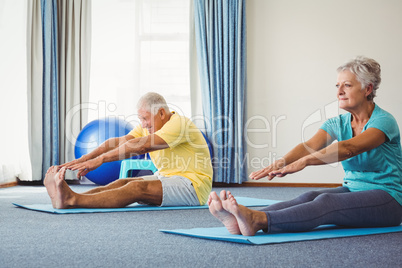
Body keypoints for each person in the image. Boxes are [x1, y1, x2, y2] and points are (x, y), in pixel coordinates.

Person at [208, 56, 402, 236]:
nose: (339, 92)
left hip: (389, 199)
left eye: (347, 85)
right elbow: (309, 146)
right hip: (353, 189)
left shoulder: (383, 122)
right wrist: (281, 162)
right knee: (309, 196)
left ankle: (258, 220)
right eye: (337, 85)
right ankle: (242, 217)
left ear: (368, 89)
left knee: (327, 203)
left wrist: (306, 162)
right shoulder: (338, 123)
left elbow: (348, 148)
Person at [44, 92, 213, 209]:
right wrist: (85, 158)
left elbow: (142, 145)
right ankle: (68, 196)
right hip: (168, 178)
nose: (144, 124)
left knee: (136, 189)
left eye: (145, 118)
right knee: (123, 182)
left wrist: (100, 160)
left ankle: (72, 200)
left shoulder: (179, 123)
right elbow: (119, 142)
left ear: (161, 113)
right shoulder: (149, 127)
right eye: (141, 119)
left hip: (193, 187)